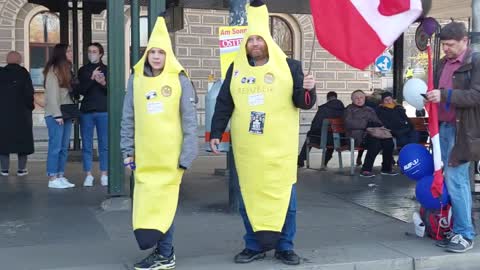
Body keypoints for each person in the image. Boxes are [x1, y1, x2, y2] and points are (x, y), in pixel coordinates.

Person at [209, 0, 316, 266]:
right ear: (245, 44)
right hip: (249, 149)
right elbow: (225, 102)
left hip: (280, 149)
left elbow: (302, 102)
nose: (255, 43)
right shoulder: (236, 68)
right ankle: (254, 245)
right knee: (249, 199)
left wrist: (309, 88)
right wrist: (215, 132)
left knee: (285, 201)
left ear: (268, 41)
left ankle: (285, 247)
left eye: (259, 39)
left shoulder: (291, 66)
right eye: (251, 40)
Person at [120, 15, 198, 270]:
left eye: (161, 52)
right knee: (147, 204)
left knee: (164, 205)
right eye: (152, 51)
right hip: (144, 157)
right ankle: (159, 249)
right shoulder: (136, 79)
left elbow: (189, 120)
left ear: (168, 55)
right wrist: (127, 151)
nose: (156, 56)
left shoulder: (179, 79)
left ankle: (165, 254)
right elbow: (128, 116)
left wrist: (187, 155)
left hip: (170, 158)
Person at [426, 21, 479, 253]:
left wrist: (444, 94)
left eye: (450, 45)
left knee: (456, 181)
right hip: (443, 128)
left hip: (463, 130)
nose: (446, 49)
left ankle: (465, 234)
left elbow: (476, 96)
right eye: (444, 45)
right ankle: (462, 228)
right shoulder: (442, 63)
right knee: (456, 181)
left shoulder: (475, 62)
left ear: (465, 41)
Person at [75, 42, 108, 187]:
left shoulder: (107, 69)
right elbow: (80, 91)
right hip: (87, 111)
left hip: (103, 111)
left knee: (104, 145)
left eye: (94, 51)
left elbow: (112, 91)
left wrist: (103, 83)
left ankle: (104, 174)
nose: (91, 54)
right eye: (89, 51)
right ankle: (88, 174)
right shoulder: (83, 70)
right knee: (87, 144)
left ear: (101, 54)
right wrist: (91, 78)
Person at [344, 90, 397, 178]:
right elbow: (349, 123)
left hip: (370, 133)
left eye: (361, 97)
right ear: (352, 99)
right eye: (356, 98)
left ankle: (386, 168)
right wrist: (366, 124)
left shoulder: (369, 109)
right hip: (357, 136)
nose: (359, 100)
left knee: (388, 141)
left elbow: (377, 121)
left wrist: (377, 125)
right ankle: (366, 169)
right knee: (375, 143)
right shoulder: (349, 110)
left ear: (364, 98)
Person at [44, 44, 76, 189]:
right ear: (62, 53)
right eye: (68, 51)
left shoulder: (67, 70)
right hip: (55, 114)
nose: (71, 53)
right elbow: (52, 95)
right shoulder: (53, 71)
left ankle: (60, 175)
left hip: (66, 113)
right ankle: (52, 177)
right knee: (55, 147)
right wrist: (57, 115)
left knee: (63, 147)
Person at [0, 51, 34, 176]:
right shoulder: (24, 73)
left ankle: (4, 169)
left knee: (3, 143)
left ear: (7, 60)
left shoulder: (1, 73)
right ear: (19, 60)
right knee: (23, 142)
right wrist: (30, 107)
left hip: (3, 115)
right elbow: (29, 93)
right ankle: (21, 169)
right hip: (22, 115)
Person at [297, 91, 344, 168]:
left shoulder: (323, 109)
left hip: (324, 140)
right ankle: (324, 162)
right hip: (339, 140)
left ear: (328, 98)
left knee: (310, 136)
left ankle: (301, 159)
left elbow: (316, 125)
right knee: (332, 137)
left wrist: (311, 132)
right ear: (336, 97)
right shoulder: (343, 109)